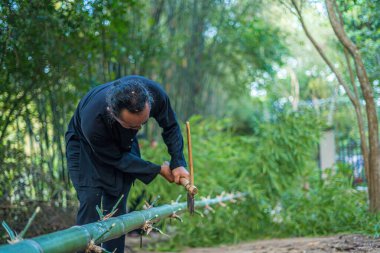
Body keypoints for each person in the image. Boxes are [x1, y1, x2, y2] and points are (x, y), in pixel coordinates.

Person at [65, 75, 189, 253]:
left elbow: (170, 126)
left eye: (142, 123)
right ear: (113, 113)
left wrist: (178, 162)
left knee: (117, 200)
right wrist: (158, 170)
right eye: (132, 126)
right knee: (91, 198)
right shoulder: (93, 121)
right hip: (84, 145)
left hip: (124, 143)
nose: (139, 129)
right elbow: (116, 159)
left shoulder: (155, 94)